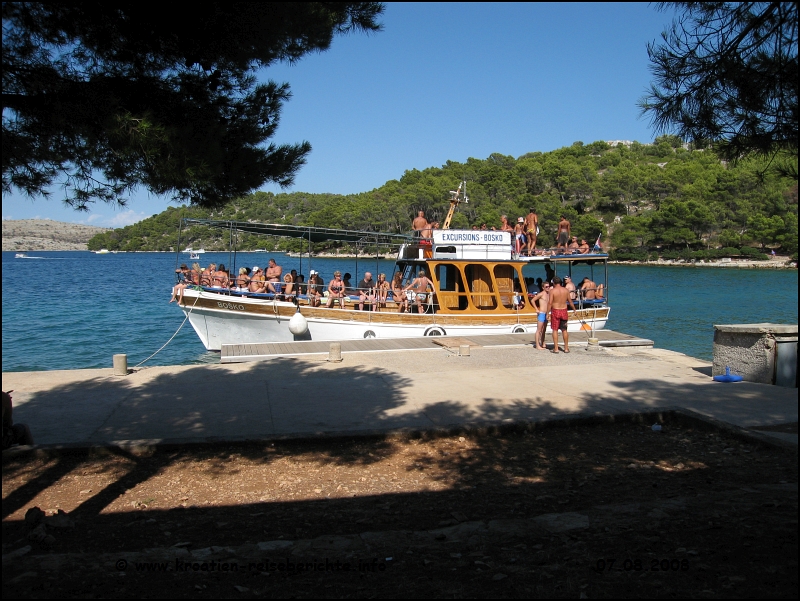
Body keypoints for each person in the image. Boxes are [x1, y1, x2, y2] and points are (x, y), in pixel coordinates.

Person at [548, 276, 576, 353]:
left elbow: (550, 303)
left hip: (556, 310)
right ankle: (566, 348)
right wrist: (574, 309)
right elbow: (570, 301)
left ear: (554, 283)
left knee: (555, 330)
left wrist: (547, 313)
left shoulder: (552, 291)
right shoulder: (566, 290)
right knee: (564, 330)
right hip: (564, 310)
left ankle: (556, 348)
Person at [529, 282, 551, 350]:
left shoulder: (549, 294)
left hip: (546, 313)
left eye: (548, 286)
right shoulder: (541, 294)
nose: (548, 288)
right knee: (539, 330)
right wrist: (536, 309)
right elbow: (532, 300)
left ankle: (543, 342)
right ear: (543, 287)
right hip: (541, 313)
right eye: (546, 287)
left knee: (544, 329)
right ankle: (537, 345)